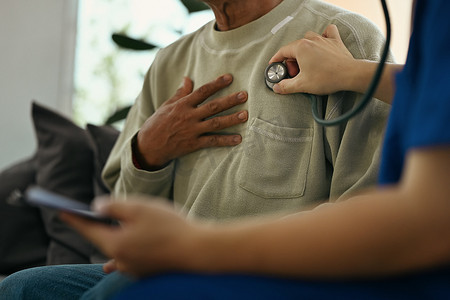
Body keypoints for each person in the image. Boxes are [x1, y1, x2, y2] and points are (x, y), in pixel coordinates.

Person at [58, 0, 450, 298]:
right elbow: (125, 214)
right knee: (22, 289)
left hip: (276, 269)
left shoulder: (341, 36)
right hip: (172, 260)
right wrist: (147, 152)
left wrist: (197, 250)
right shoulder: (169, 63)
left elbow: (377, 204)